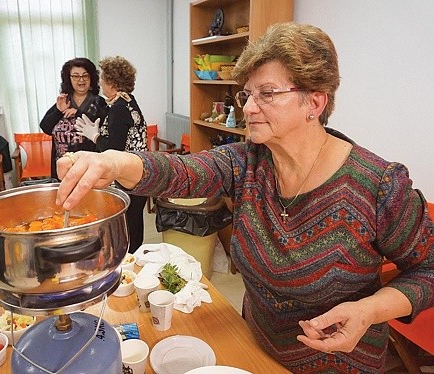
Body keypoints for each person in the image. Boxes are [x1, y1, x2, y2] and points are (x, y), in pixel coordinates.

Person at [55, 23, 434, 373]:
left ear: (314, 103)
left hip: (337, 363)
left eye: (267, 94)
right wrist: (114, 162)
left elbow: (429, 270)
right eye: (248, 94)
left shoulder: (377, 185)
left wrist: (369, 310)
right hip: (254, 348)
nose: (248, 107)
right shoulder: (248, 162)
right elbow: (182, 173)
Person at [75, 55, 148, 254]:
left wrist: (95, 136)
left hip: (128, 177)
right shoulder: (128, 101)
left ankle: (129, 261)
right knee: (134, 222)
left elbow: (113, 150)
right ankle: (134, 257)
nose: (100, 83)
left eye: (102, 79)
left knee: (127, 225)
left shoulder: (118, 109)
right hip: (139, 173)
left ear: (112, 83)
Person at [40, 57, 106, 179]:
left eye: (85, 75)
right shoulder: (64, 100)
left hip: (89, 167)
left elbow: (102, 125)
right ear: (68, 79)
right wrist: (58, 111)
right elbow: (46, 127)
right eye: (75, 76)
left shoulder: (99, 102)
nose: (81, 80)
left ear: (91, 78)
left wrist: (78, 112)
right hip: (63, 167)